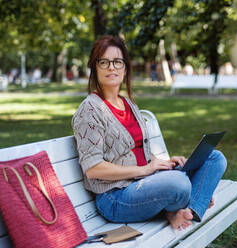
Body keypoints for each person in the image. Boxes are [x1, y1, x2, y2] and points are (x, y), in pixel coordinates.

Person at [72, 35, 227, 230]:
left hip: (144, 181)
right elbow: (93, 169)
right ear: (95, 68)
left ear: (125, 67)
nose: (111, 67)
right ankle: (193, 201)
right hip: (115, 197)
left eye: (117, 62)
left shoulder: (128, 104)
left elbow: (136, 151)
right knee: (179, 184)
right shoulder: (89, 110)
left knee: (214, 158)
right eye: (104, 62)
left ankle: (187, 208)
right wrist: (145, 170)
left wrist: (165, 162)